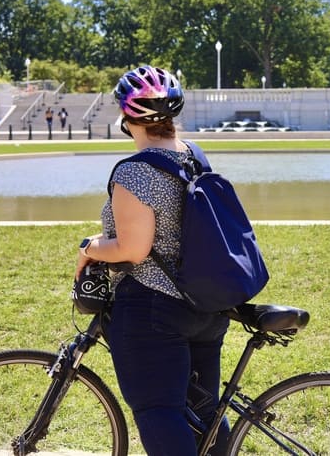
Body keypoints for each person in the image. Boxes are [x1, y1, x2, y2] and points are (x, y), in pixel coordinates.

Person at [75, 65, 229, 455]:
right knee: (204, 412)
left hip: (152, 308)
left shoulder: (135, 173)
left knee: (159, 410)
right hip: (205, 303)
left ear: (127, 119)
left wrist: (89, 247)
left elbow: (132, 250)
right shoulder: (195, 157)